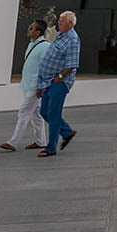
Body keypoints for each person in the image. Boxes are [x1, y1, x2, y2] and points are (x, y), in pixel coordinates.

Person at [1, 20, 50, 150]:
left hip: (35, 86)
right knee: (35, 114)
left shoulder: (45, 47)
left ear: (38, 32)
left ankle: (13, 142)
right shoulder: (31, 44)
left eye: (31, 28)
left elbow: (46, 68)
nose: (29, 29)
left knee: (24, 112)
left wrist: (41, 86)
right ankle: (41, 141)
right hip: (28, 85)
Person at [36, 11, 80, 156]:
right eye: (59, 21)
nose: (59, 24)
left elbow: (72, 64)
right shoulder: (61, 35)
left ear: (70, 24)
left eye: (62, 22)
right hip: (49, 79)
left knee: (53, 113)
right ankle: (67, 132)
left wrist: (60, 76)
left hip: (60, 81)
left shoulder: (72, 40)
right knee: (44, 111)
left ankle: (50, 148)